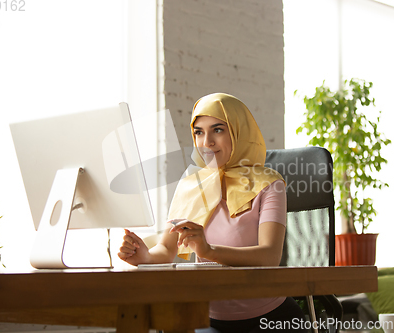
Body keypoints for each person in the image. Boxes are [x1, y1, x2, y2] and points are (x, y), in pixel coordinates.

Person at [118, 93, 309, 332]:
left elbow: (269, 256)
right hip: (209, 320)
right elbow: (167, 249)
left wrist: (209, 251)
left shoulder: (269, 184)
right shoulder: (191, 183)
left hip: (270, 319)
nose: (206, 142)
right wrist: (144, 257)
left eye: (217, 130)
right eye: (198, 132)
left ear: (239, 132)